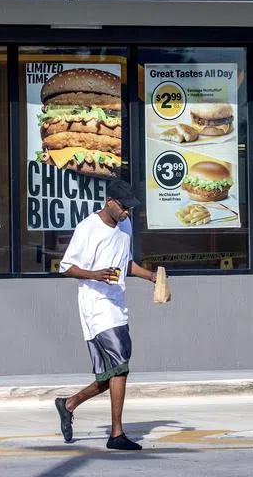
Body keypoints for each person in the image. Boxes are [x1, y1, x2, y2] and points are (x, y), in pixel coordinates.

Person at [54, 180, 159, 451]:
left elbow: (125, 262)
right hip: (96, 305)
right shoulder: (88, 228)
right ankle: (116, 434)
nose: (128, 213)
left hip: (117, 304)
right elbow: (66, 267)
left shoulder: (124, 226)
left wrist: (150, 276)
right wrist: (95, 274)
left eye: (130, 209)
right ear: (110, 202)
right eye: (124, 208)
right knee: (121, 366)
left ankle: (69, 404)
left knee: (110, 375)